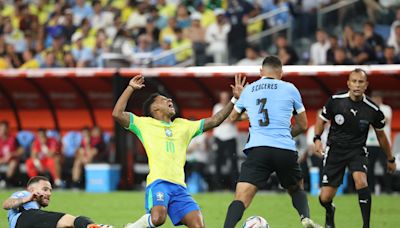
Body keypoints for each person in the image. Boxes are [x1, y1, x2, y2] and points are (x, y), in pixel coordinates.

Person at [112, 74, 246, 228]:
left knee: (198, 226)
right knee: (158, 219)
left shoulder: (183, 126)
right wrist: (130, 88)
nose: (170, 100)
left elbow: (215, 120)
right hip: (159, 183)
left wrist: (234, 100)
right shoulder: (144, 124)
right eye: (164, 99)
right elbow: (117, 114)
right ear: (155, 108)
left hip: (179, 188)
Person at [223, 56, 320, 228]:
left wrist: (239, 98)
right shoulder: (290, 88)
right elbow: (303, 124)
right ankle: (305, 217)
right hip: (284, 149)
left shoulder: (250, 89)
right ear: (281, 73)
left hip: (258, 149)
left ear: (261, 72)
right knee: (296, 188)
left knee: (241, 198)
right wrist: (285, 134)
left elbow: (232, 117)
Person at [314, 68, 397, 228]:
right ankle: (330, 211)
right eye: (354, 81)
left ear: (366, 85)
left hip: (357, 151)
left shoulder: (373, 110)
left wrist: (390, 158)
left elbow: (381, 136)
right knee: (324, 198)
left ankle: (366, 225)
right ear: (348, 83)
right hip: (335, 151)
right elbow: (321, 119)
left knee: (361, 181)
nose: (357, 85)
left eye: (361, 82)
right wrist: (317, 139)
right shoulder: (335, 100)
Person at [2, 175, 113, 228]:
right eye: (45, 189)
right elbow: (6, 204)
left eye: (50, 190)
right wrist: (28, 198)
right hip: (25, 219)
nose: (49, 193)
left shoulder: (38, 214)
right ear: (31, 190)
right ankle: (94, 227)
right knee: (69, 220)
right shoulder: (25, 195)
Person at [366, 91, 393, 194]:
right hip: (370, 143)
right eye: (374, 98)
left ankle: (388, 189)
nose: (376, 100)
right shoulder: (367, 108)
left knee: (387, 165)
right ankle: (371, 189)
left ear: (381, 99)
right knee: (369, 167)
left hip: (383, 143)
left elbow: (384, 121)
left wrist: (372, 123)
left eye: (377, 98)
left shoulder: (386, 108)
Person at [212, 91, 239, 190]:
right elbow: (216, 120)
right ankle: (217, 185)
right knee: (218, 162)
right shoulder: (217, 107)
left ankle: (234, 185)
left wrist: (224, 119)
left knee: (233, 162)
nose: (224, 99)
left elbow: (232, 119)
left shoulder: (234, 106)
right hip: (219, 137)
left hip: (230, 137)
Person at [0, 121, 23, 187]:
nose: (3, 131)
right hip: (2, 159)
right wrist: (2, 159)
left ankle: (6, 181)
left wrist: (12, 154)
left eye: (5, 129)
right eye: (1, 129)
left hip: (12, 160)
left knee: (13, 163)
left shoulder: (13, 138)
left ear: (7, 129)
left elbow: (21, 150)